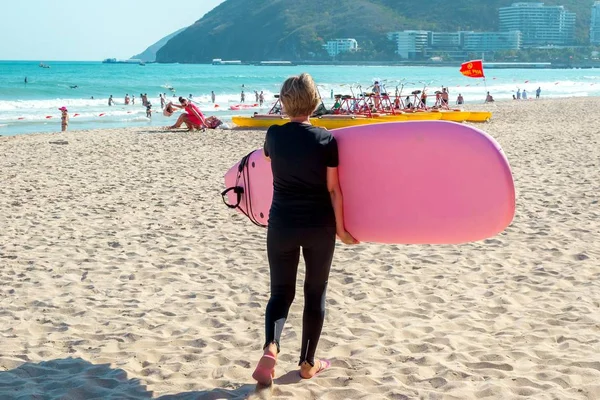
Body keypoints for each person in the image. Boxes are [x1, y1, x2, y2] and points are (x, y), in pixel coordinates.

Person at [251, 73, 359, 387]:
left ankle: (271, 347)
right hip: (319, 226)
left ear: (283, 103)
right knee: (315, 292)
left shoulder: (273, 135)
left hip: (282, 223)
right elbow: (334, 190)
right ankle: (308, 364)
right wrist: (341, 230)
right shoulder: (326, 139)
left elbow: (266, 159)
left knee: (280, 293)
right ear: (315, 101)